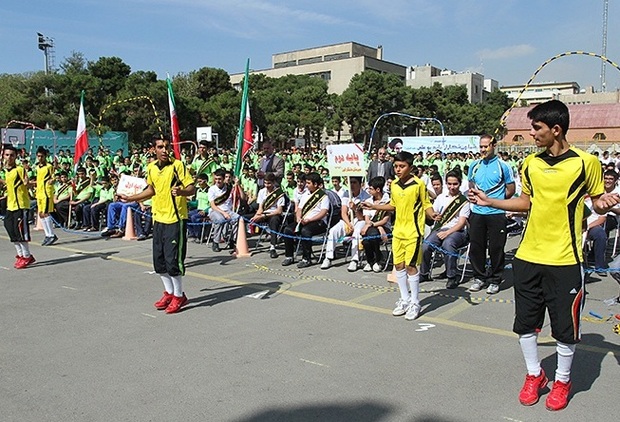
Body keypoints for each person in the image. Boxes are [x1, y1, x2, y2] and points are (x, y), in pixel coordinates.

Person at [469, 100, 620, 411]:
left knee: (565, 328)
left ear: (556, 129)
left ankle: (563, 380)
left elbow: (595, 202)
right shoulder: (531, 165)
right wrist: (490, 202)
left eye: (536, 128)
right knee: (525, 323)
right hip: (527, 256)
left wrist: (604, 204)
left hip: (566, 258)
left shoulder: (586, 163)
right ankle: (534, 375)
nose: (531, 134)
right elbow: (526, 202)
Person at [119, 138, 195, 314]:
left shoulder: (178, 166)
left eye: (167, 147)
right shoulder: (151, 168)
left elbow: (191, 188)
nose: (164, 150)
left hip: (175, 219)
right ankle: (169, 292)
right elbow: (151, 190)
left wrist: (182, 191)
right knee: (159, 261)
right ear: (154, 149)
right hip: (158, 218)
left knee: (173, 260)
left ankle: (179, 295)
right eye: (160, 147)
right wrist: (131, 198)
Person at [362, 151, 435, 321]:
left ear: (410, 167)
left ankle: (415, 302)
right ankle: (404, 299)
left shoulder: (418, 185)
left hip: (414, 232)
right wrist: (374, 207)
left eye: (402, 166)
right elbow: (393, 205)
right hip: (398, 231)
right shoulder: (394, 184)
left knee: (411, 267)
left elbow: (426, 204)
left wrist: (433, 214)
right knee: (399, 265)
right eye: (395, 166)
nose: (398, 169)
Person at [467, 134, 515, 294]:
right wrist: (474, 196)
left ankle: (495, 279)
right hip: (477, 213)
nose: (483, 149)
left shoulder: (503, 166)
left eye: (486, 146)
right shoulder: (474, 165)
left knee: (496, 248)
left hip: (496, 213)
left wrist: (497, 201)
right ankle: (479, 277)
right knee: (476, 247)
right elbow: (471, 184)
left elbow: (510, 190)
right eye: (481, 146)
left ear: (493, 146)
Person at [419, 170, 470, 289]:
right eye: (449, 184)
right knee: (426, 245)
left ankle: (452, 276)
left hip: (457, 231)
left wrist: (447, 232)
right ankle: (424, 273)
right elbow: (431, 213)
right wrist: (433, 215)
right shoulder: (441, 197)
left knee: (448, 244)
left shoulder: (464, 201)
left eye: (455, 184)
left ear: (460, 183)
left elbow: (461, 223)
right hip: (440, 228)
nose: (452, 187)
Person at [321, 176, 370, 272]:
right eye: (350, 182)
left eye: (354, 182)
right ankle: (329, 257)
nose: (352, 185)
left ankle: (354, 259)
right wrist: (349, 224)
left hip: (360, 220)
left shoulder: (366, 196)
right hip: (348, 220)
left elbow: (363, 217)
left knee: (357, 232)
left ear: (360, 184)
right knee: (333, 231)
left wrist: (355, 209)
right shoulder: (346, 194)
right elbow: (343, 213)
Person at [281, 172, 329, 268]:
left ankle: (306, 258)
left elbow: (323, 213)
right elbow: (299, 209)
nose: (306, 185)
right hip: (303, 220)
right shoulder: (305, 195)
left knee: (305, 231)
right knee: (288, 230)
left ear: (315, 184)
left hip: (318, 222)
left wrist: (309, 220)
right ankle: (289, 256)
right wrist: (298, 217)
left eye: (308, 183)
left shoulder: (323, 196)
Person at [1, 145, 36, 268]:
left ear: (16, 156)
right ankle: (20, 254)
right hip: (10, 205)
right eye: (7, 155)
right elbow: (9, 183)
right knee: (10, 228)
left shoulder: (20, 169)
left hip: (21, 205)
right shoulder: (6, 171)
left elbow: (26, 182)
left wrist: (27, 183)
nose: (9, 157)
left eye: (12, 155)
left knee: (20, 231)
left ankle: (27, 256)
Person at [249, 172, 286, 258]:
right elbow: (260, 208)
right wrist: (257, 216)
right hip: (263, 214)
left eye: (269, 183)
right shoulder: (262, 192)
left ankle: (272, 247)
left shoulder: (279, 193)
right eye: (265, 183)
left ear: (273, 183)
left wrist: (264, 216)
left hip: (273, 214)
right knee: (244, 218)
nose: (267, 185)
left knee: (274, 220)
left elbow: (279, 211)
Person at [360, 176, 391, 272]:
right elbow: (367, 219)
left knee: (372, 236)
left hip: (384, 227)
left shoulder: (387, 201)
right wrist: (370, 225)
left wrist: (378, 226)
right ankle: (371, 261)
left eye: (371, 188)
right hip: (372, 226)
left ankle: (378, 260)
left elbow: (385, 219)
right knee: (366, 240)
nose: (368, 190)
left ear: (378, 190)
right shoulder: (368, 201)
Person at [208, 168, 241, 252]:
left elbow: (241, 197)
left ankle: (232, 240)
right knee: (220, 219)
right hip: (215, 211)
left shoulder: (229, 188)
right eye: (216, 179)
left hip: (228, 211)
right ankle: (216, 242)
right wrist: (223, 213)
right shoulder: (212, 189)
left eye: (219, 179)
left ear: (223, 179)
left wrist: (237, 185)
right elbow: (213, 205)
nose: (217, 181)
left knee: (238, 218)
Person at [33, 146, 58, 246]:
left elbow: (54, 176)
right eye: (38, 156)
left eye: (42, 156)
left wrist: (53, 180)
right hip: (39, 193)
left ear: (45, 156)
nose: (40, 158)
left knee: (46, 213)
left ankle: (51, 235)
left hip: (46, 193)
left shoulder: (49, 167)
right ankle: (47, 234)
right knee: (41, 214)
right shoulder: (37, 167)